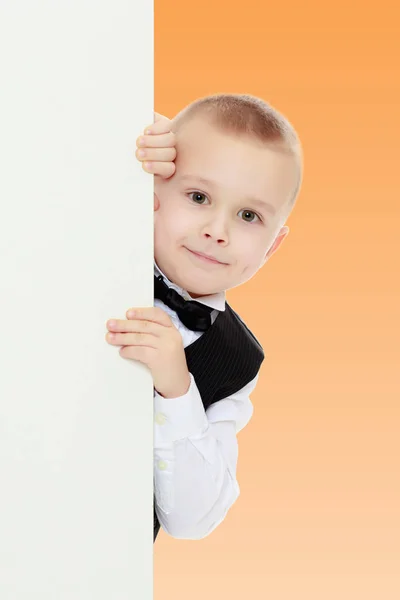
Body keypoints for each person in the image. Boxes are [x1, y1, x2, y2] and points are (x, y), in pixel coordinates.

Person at [105, 93, 303, 542]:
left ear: (273, 246)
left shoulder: (239, 362)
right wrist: (126, 133)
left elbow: (193, 521)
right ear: (153, 189)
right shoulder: (100, 239)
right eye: (198, 196)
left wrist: (178, 391)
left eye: (249, 215)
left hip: (101, 566)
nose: (218, 230)